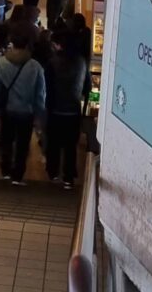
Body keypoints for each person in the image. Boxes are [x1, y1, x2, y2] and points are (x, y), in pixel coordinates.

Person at [0, 32, 46, 185]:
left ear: (12, 44)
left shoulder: (0, 63)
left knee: (6, 140)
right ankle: (17, 175)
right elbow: (40, 94)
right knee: (22, 144)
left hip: (7, 109)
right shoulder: (35, 67)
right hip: (26, 111)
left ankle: (5, 171)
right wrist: (39, 114)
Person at [45, 31, 89, 190]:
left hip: (55, 110)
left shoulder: (52, 62)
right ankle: (68, 178)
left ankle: (53, 173)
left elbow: (47, 88)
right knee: (71, 146)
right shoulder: (81, 62)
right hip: (73, 111)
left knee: (54, 144)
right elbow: (87, 87)